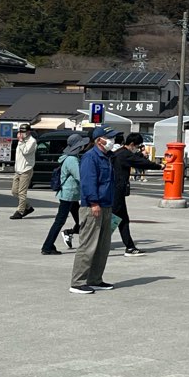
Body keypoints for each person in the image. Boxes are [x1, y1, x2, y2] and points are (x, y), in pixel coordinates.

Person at [69, 126, 117, 294]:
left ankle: (95, 279)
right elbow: (88, 182)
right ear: (99, 140)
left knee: (103, 246)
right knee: (88, 245)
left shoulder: (107, 157)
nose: (112, 141)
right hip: (93, 206)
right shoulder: (91, 157)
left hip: (106, 205)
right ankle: (77, 282)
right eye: (109, 137)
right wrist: (94, 203)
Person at [112, 131, 164, 256]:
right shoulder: (125, 154)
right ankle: (90, 240)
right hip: (116, 191)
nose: (138, 148)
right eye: (137, 146)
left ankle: (129, 247)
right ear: (132, 144)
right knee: (110, 221)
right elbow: (142, 163)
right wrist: (160, 166)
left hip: (115, 190)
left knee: (122, 219)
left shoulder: (119, 152)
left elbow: (138, 159)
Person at [41, 133, 87, 255]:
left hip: (71, 195)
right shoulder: (72, 159)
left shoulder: (68, 157)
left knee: (80, 220)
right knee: (60, 221)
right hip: (69, 195)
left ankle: (83, 241)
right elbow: (80, 176)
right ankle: (47, 246)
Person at [9, 124, 37, 220]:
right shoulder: (22, 141)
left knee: (22, 192)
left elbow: (26, 151)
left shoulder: (32, 141)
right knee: (14, 191)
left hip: (26, 169)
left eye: (23, 132)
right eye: (20, 132)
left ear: (28, 132)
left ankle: (20, 211)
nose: (21, 134)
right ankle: (28, 207)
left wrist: (20, 141)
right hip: (18, 170)